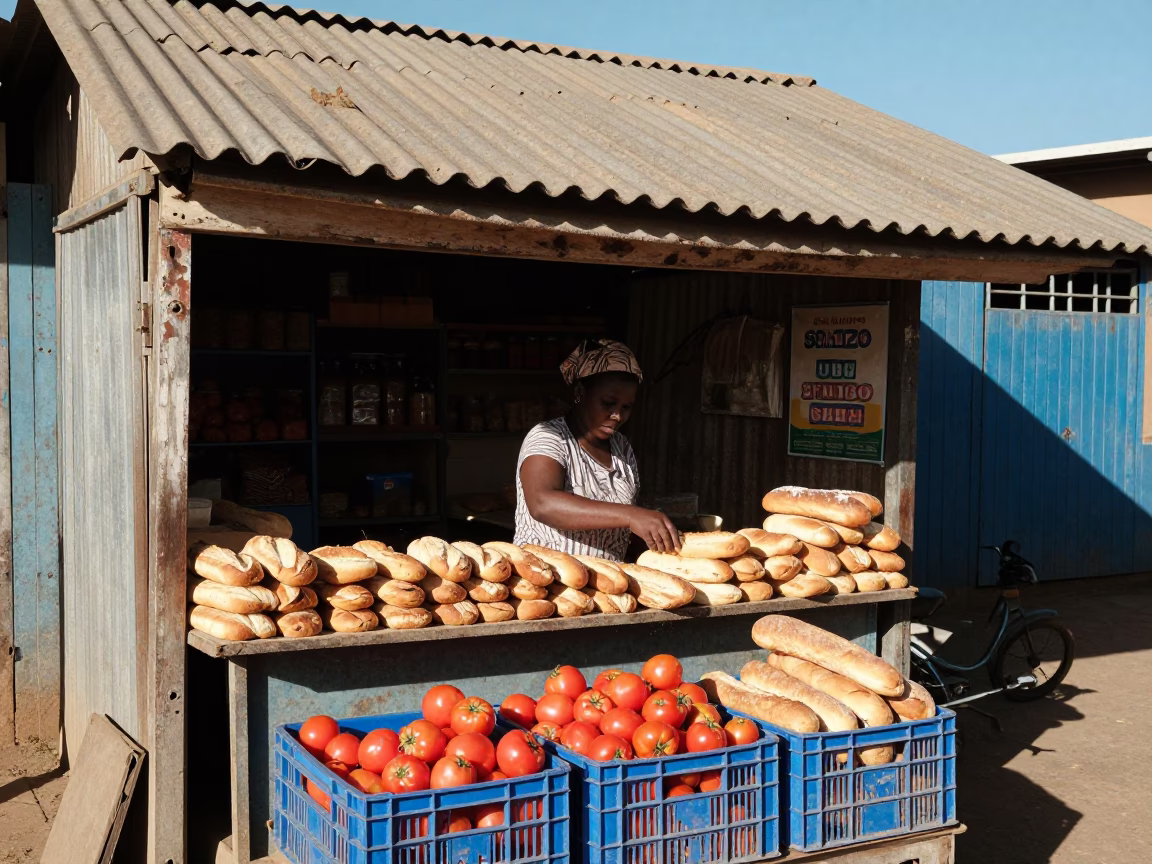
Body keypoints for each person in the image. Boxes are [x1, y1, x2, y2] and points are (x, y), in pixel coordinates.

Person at [514, 338, 680, 561]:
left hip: (608, 585)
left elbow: (620, 531)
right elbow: (543, 503)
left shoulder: (621, 447)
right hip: (549, 582)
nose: (618, 415)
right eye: (608, 403)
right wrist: (631, 515)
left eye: (626, 406)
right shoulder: (549, 437)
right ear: (581, 392)